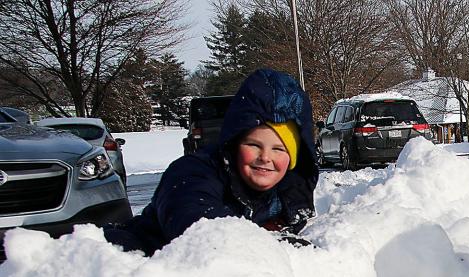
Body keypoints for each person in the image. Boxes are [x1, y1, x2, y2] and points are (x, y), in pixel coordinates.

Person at [105, 69, 319, 256]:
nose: (265, 157)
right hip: (134, 265)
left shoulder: (286, 194)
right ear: (236, 144)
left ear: (293, 158)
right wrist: (269, 247)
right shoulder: (194, 172)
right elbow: (196, 223)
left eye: (278, 149)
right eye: (254, 145)